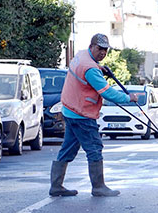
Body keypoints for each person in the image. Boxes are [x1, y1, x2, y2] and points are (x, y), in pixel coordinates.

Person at [50, 33, 131, 198]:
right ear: (92, 46)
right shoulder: (90, 69)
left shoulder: (81, 56)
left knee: (68, 148)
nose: (103, 53)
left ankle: (56, 186)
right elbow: (107, 93)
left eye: (105, 50)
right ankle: (98, 187)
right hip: (82, 114)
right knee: (94, 148)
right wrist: (129, 98)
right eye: (100, 49)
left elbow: (85, 71)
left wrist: (100, 68)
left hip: (70, 110)